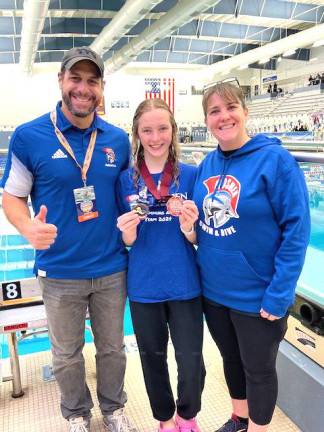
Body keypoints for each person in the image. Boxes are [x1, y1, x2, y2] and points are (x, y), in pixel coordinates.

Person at [1, 46, 137, 432]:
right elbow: (12, 196)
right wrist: (27, 227)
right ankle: (76, 414)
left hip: (111, 267)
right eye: (75, 79)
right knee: (65, 354)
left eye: (91, 81)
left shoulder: (117, 139)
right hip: (59, 270)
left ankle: (113, 409)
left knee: (113, 349)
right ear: (61, 81)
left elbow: (129, 196)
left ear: (101, 88)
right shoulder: (30, 136)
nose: (83, 88)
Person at [192, 82, 310, 432]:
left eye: (230, 107)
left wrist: (279, 294)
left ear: (245, 111)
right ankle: (239, 419)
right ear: (207, 120)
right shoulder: (208, 164)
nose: (223, 116)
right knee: (231, 360)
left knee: (258, 370)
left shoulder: (276, 161)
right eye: (214, 111)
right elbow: (204, 225)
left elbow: (296, 232)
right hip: (214, 292)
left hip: (257, 294)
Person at [116, 99, 205, 432]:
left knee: (191, 358)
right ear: (137, 133)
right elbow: (126, 241)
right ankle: (165, 420)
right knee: (152, 359)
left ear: (174, 130)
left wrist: (188, 228)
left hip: (185, 281)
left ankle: (188, 415)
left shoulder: (192, 175)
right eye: (147, 130)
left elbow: (199, 237)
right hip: (144, 284)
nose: (155, 137)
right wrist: (127, 234)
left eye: (162, 128)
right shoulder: (125, 179)